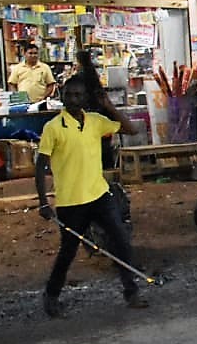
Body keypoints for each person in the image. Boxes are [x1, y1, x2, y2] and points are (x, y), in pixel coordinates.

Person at [34, 79, 148, 316]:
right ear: (63, 97)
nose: (73, 99)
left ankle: (131, 292)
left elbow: (131, 129)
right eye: (69, 95)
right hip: (70, 203)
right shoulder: (53, 128)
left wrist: (108, 105)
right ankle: (51, 297)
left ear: (85, 99)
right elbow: (40, 166)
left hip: (99, 195)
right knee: (68, 252)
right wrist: (44, 202)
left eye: (78, 95)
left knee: (120, 240)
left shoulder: (96, 122)